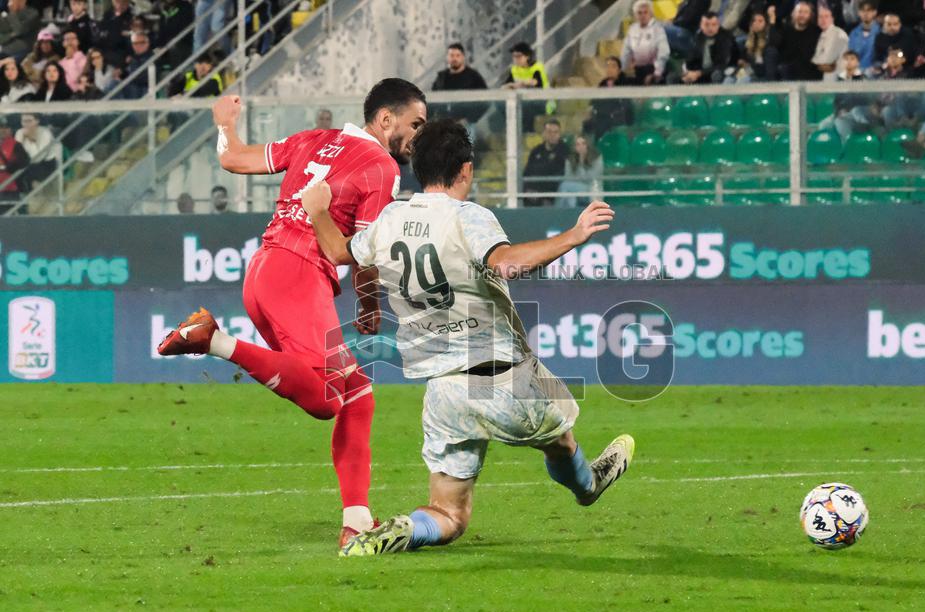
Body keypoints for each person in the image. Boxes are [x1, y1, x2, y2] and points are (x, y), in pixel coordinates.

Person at [293, 118, 634, 557]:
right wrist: (574, 234)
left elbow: (341, 252)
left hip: (443, 391)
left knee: (449, 516)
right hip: (505, 375)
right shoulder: (470, 217)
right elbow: (507, 264)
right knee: (562, 436)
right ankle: (588, 486)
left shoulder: (391, 217)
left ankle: (402, 529)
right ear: (467, 169)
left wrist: (317, 210)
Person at [156, 79, 428, 548]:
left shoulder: (312, 140)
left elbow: (232, 158)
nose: (419, 134)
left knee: (358, 395)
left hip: (264, 273)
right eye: (415, 123)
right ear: (386, 119)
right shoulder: (382, 167)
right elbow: (361, 254)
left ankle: (357, 520)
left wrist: (224, 124)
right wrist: (367, 305)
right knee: (326, 401)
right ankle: (213, 340)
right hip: (299, 276)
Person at [431, 42, 488, 125]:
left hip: (466, 125)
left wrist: (469, 119)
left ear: (463, 57)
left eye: (458, 55)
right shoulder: (441, 77)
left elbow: (485, 101)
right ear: (447, 57)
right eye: (451, 55)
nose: (454, 59)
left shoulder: (473, 76)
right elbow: (433, 100)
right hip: (444, 124)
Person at [502, 42, 554, 129]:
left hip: (542, 102)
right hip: (523, 102)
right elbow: (506, 85)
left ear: (527, 56)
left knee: (525, 111)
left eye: (518, 56)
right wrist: (510, 86)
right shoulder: (514, 69)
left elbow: (537, 84)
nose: (515, 59)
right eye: (514, 56)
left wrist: (523, 83)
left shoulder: (537, 67)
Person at [671, 11, 733, 84]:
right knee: (672, 78)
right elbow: (691, 59)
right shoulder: (699, 37)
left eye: (713, 25)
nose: (710, 28)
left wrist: (699, 73)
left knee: (716, 75)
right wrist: (688, 73)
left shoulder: (725, 38)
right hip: (698, 74)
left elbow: (722, 65)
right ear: (701, 26)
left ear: (718, 25)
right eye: (706, 25)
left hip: (715, 73)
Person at [582, 56, 634, 139]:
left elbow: (628, 107)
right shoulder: (602, 85)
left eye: (613, 66)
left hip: (619, 122)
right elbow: (593, 104)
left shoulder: (625, 85)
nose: (610, 69)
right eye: (607, 66)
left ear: (619, 70)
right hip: (603, 121)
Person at [767, 2, 822, 81]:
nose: (802, 15)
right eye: (799, 12)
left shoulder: (816, 32)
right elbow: (773, 43)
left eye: (806, 12)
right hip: (788, 72)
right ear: (793, 14)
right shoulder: (786, 29)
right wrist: (772, 21)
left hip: (810, 73)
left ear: (810, 15)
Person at [620, 0, 670, 84]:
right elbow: (626, 51)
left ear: (650, 14)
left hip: (654, 69)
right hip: (637, 69)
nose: (643, 15)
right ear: (635, 15)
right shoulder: (632, 29)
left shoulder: (658, 29)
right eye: (639, 13)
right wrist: (622, 70)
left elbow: (664, 52)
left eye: (645, 12)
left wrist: (657, 73)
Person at [522, 118, 568, 207]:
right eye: (549, 132)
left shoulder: (564, 151)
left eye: (556, 132)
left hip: (551, 196)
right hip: (531, 194)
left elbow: (560, 174)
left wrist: (540, 193)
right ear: (544, 134)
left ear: (559, 134)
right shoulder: (536, 151)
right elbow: (527, 172)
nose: (552, 135)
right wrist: (528, 189)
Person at [558, 135, 603, 208]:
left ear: (588, 145)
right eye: (578, 144)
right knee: (568, 192)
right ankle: (570, 212)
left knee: (565, 186)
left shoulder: (597, 157)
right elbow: (568, 178)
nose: (581, 147)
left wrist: (581, 161)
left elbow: (593, 177)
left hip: (592, 189)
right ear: (574, 147)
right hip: (576, 190)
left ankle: (558, 211)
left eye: (583, 143)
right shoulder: (570, 159)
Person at [15, 113, 60, 187]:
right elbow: (15, 154)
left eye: (29, 121)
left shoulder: (45, 133)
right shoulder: (20, 132)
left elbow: (37, 158)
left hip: (45, 164)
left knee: (29, 172)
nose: (26, 124)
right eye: (24, 121)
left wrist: (30, 138)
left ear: (37, 121)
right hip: (27, 163)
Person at [0, 116, 29, 213]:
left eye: (6, 127)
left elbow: (23, 161)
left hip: (11, 189)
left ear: (11, 130)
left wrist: (5, 167)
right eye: (1, 127)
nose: (3, 130)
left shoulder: (16, 145)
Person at [156, 0, 195, 71]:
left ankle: (176, 78)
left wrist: (168, 43)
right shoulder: (165, 8)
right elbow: (161, 31)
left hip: (183, 44)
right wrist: (159, 45)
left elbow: (185, 30)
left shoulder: (185, 6)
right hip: (167, 45)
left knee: (173, 46)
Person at [813, 4, 849, 81]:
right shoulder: (823, 34)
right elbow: (817, 61)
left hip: (839, 80)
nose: (823, 20)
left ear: (832, 19)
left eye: (826, 16)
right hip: (827, 78)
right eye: (820, 17)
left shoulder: (838, 34)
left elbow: (826, 63)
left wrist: (818, 64)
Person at [735, 10, 771, 82]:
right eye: (754, 21)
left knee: (743, 80)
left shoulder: (769, 42)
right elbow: (743, 59)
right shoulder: (748, 41)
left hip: (759, 75)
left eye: (760, 21)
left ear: (766, 24)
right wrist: (741, 62)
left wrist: (748, 65)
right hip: (746, 71)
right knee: (729, 79)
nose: (756, 23)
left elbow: (763, 68)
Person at [98, 0, 135, 67]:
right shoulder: (107, 16)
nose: (120, 4)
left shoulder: (132, 18)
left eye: (123, 2)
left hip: (122, 57)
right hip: (105, 54)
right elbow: (101, 35)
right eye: (117, 1)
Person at [847, 1, 880, 70]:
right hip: (857, 74)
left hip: (875, 75)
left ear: (874, 12)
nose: (865, 13)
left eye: (869, 10)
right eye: (862, 10)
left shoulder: (881, 32)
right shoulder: (853, 33)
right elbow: (851, 55)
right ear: (859, 13)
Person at [121, 31, 152, 99]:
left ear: (147, 43)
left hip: (145, 88)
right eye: (135, 43)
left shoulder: (153, 57)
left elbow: (145, 78)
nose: (138, 45)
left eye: (142, 42)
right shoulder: (131, 58)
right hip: (132, 88)